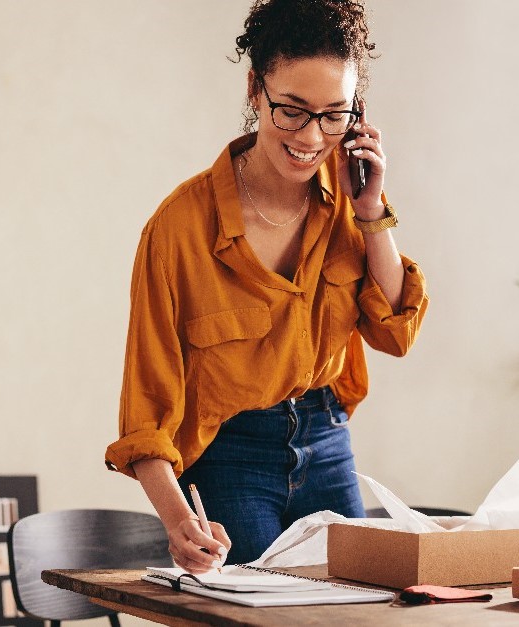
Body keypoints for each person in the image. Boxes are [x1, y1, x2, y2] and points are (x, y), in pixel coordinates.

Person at [104, 0, 428, 571]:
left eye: (335, 114)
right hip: (231, 456)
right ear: (256, 88)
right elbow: (146, 410)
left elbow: (396, 332)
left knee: (357, 612)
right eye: (293, 111)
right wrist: (180, 522)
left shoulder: (350, 199)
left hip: (327, 440)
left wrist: (372, 208)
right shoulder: (179, 230)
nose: (312, 136)